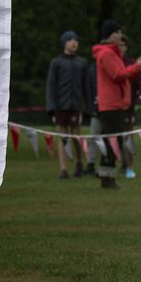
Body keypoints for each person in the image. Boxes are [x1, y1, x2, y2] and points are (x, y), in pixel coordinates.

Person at [92, 20, 141, 189]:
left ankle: (108, 177)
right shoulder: (106, 54)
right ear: (110, 34)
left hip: (118, 104)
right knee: (112, 143)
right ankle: (107, 178)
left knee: (115, 142)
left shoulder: (113, 53)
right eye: (117, 32)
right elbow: (118, 75)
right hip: (111, 105)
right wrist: (138, 66)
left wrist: (139, 68)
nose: (120, 36)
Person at [45, 30, 89, 179]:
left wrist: (88, 107)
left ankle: (79, 164)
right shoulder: (56, 62)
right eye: (70, 39)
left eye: (76, 39)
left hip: (76, 107)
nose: (74, 42)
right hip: (60, 107)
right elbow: (51, 86)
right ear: (64, 43)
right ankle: (63, 170)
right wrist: (51, 107)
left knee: (77, 137)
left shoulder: (82, 62)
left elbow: (86, 87)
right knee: (62, 138)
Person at [118, 35, 141, 179]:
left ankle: (129, 167)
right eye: (118, 44)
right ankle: (113, 164)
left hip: (128, 108)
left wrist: (136, 103)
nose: (120, 47)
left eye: (123, 44)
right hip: (112, 106)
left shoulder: (131, 63)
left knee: (128, 137)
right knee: (111, 137)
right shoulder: (110, 62)